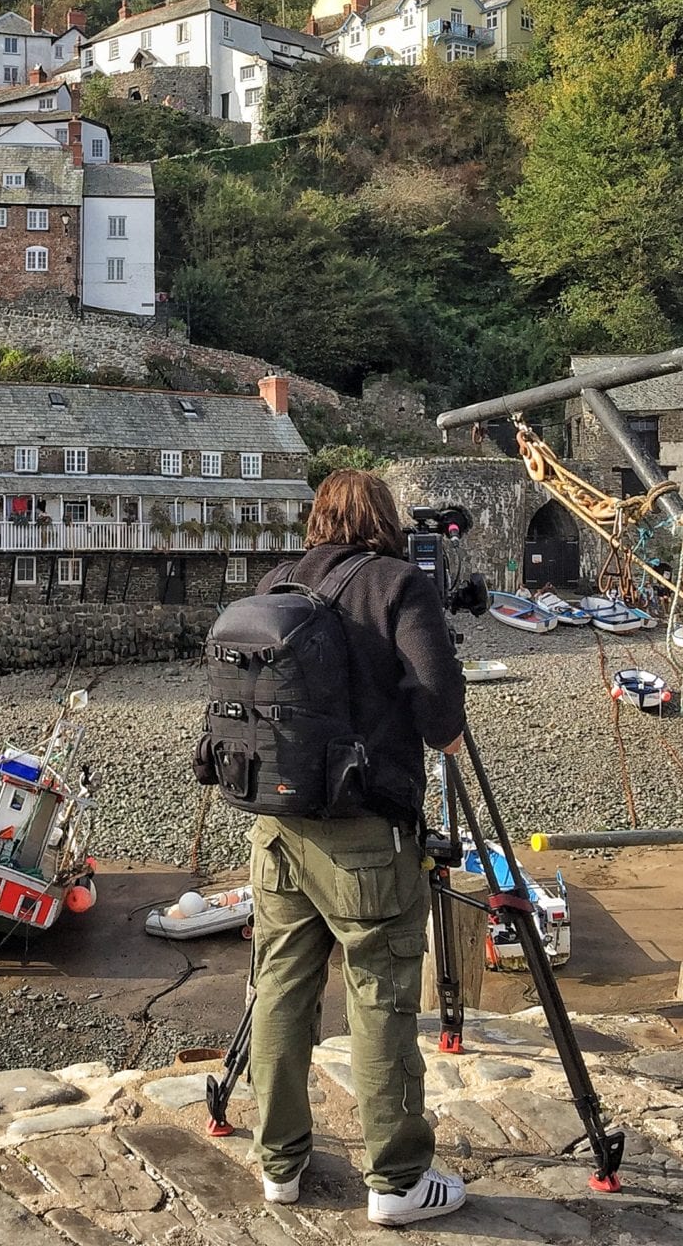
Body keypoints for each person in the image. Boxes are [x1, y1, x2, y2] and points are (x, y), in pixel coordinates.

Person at [247, 471, 468, 1227]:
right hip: (366, 834)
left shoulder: (274, 580)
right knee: (379, 995)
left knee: (279, 986)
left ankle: (279, 1164)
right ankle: (399, 1180)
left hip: (276, 827)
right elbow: (440, 715)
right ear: (386, 520)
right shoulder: (397, 584)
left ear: (318, 517)